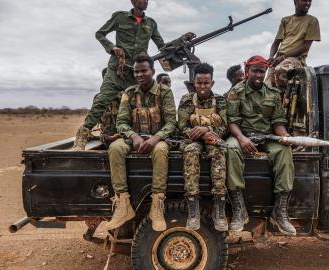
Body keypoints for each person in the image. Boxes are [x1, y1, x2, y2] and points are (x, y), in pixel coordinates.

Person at [71, 0, 191, 150]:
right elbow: (99, 34)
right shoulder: (120, 17)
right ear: (133, 1)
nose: (146, 1)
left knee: (137, 105)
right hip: (116, 70)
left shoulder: (151, 24)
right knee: (101, 101)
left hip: (135, 74)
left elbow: (162, 47)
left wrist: (180, 40)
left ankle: (134, 135)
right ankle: (82, 136)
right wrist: (113, 48)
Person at [104, 53, 177, 232]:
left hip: (158, 138)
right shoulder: (129, 93)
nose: (140, 75)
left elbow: (171, 122)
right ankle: (123, 204)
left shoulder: (164, 91)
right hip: (134, 138)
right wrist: (134, 136)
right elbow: (121, 122)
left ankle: (157, 205)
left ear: (152, 71)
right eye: (136, 72)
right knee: (115, 148)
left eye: (144, 71)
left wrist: (155, 138)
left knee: (160, 151)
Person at [225, 55, 297, 236]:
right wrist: (242, 138)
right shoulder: (236, 92)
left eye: (262, 71)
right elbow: (232, 122)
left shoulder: (272, 94)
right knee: (231, 148)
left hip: (266, 137)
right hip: (242, 135)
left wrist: (286, 137)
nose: (258, 75)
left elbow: (278, 123)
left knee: (284, 151)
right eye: (255, 71)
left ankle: (279, 213)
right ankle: (239, 211)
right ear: (247, 71)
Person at [177, 63, 228, 231]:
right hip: (192, 140)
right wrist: (196, 133)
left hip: (212, 138)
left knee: (219, 151)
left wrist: (208, 130)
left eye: (206, 83)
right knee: (191, 151)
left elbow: (225, 126)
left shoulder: (220, 100)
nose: (203, 86)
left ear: (212, 83)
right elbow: (182, 126)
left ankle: (219, 208)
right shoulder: (186, 100)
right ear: (194, 82)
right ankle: (193, 209)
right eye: (199, 83)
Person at [267, 0, 320, 87]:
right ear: (295, 2)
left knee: (280, 70)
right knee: (266, 87)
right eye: (304, 0)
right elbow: (276, 43)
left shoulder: (312, 21)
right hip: (278, 59)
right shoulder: (286, 20)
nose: (307, 3)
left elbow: (305, 47)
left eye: (309, 1)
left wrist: (284, 57)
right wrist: (271, 57)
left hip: (295, 59)